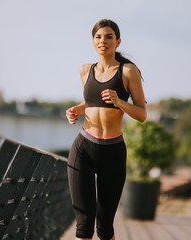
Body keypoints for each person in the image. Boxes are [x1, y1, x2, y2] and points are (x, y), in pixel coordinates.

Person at [66, 19, 147, 240]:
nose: (103, 41)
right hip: (83, 147)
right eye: (98, 37)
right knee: (83, 226)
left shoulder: (128, 72)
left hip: (113, 151)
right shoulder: (85, 70)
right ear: (93, 41)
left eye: (109, 36)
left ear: (118, 42)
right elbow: (94, 103)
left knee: (104, 228)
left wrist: (120, 102)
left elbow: (142, 114)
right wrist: (76, 110)